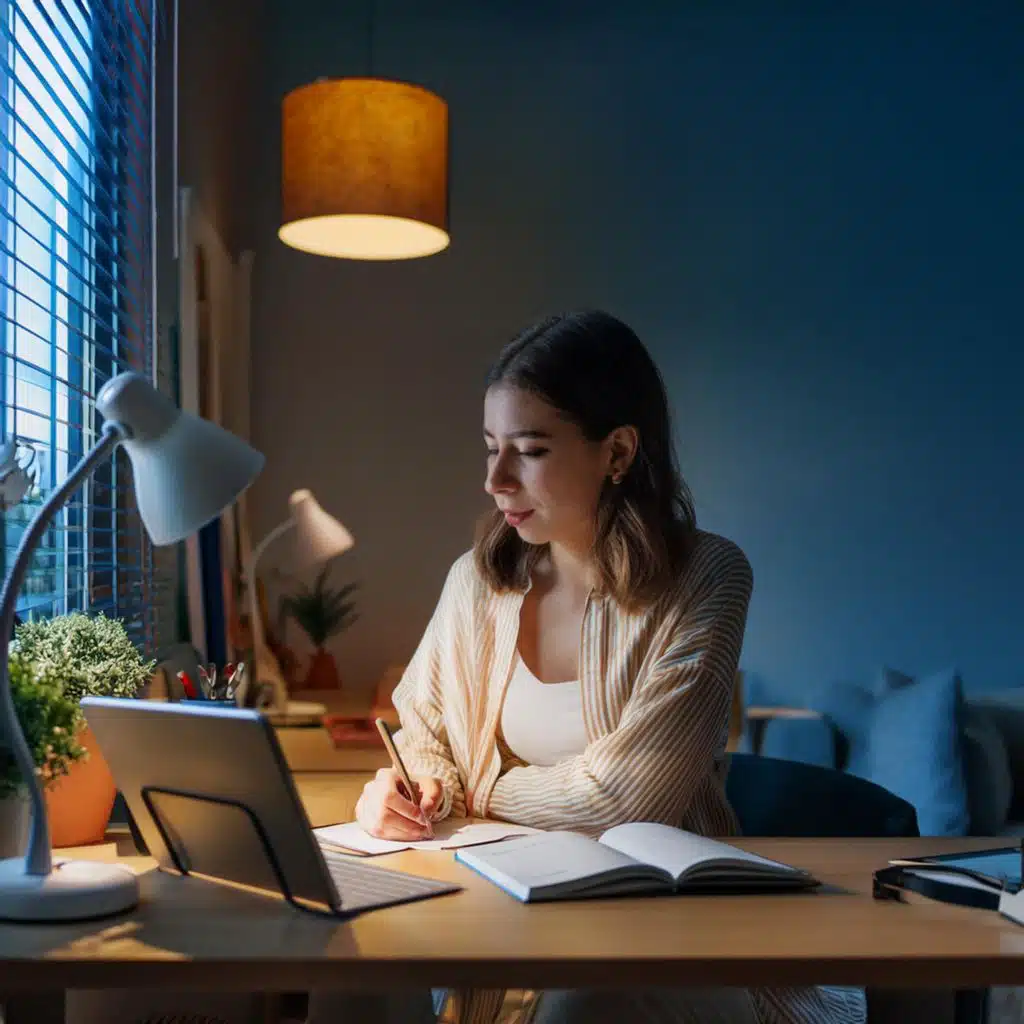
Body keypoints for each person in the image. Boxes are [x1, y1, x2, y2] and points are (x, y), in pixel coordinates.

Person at [311, 310, 866, 1024]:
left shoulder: (708, 577)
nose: (497, 480)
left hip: (665, 927)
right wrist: (410, 791)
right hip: (499, 907)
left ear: (619, 452)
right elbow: (420, 733)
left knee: (587, 998)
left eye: (530, 450)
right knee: (348, 959)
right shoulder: (477, 583)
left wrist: (476, 789)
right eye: (490, 449)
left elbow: (628, 799)